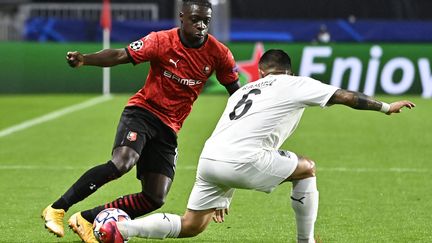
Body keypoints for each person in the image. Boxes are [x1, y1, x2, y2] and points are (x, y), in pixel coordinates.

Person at [96, 49, 415, 243]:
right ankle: (306, 241)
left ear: (262, 72)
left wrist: (226, 188)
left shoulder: (242, 91)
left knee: (192, 225)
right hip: (241, 160)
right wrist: (385, 107)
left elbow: (237, 133)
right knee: (307, 169)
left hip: (210, 160)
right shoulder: (295, 83)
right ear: (289, 71)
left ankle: (123, 229)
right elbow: (345, 96)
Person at [41, 0, 240, 242]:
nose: (201, 25)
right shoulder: (161, 41)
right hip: (143, 112)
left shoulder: (219, 54)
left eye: (206, 21)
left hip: (169, 127)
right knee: (122, 162)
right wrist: (85, 59)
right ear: (182, 17)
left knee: (155, 197)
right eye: (195, 19)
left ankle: (87, 218)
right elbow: (119, 55)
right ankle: (57, 208)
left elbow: (237, 94)